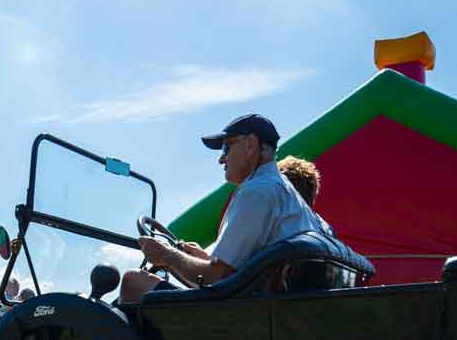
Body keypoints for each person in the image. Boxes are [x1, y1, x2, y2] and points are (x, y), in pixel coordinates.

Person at [119, 114, 325, 302]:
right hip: (275, 309)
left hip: (249, 318)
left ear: (251, 145)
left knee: (133, 282)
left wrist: (167, 256)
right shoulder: (287, 194)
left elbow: (216, 278)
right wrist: (204, 259)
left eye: (227, 147)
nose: (221, 159)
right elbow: (238, 272)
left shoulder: (258, 191)